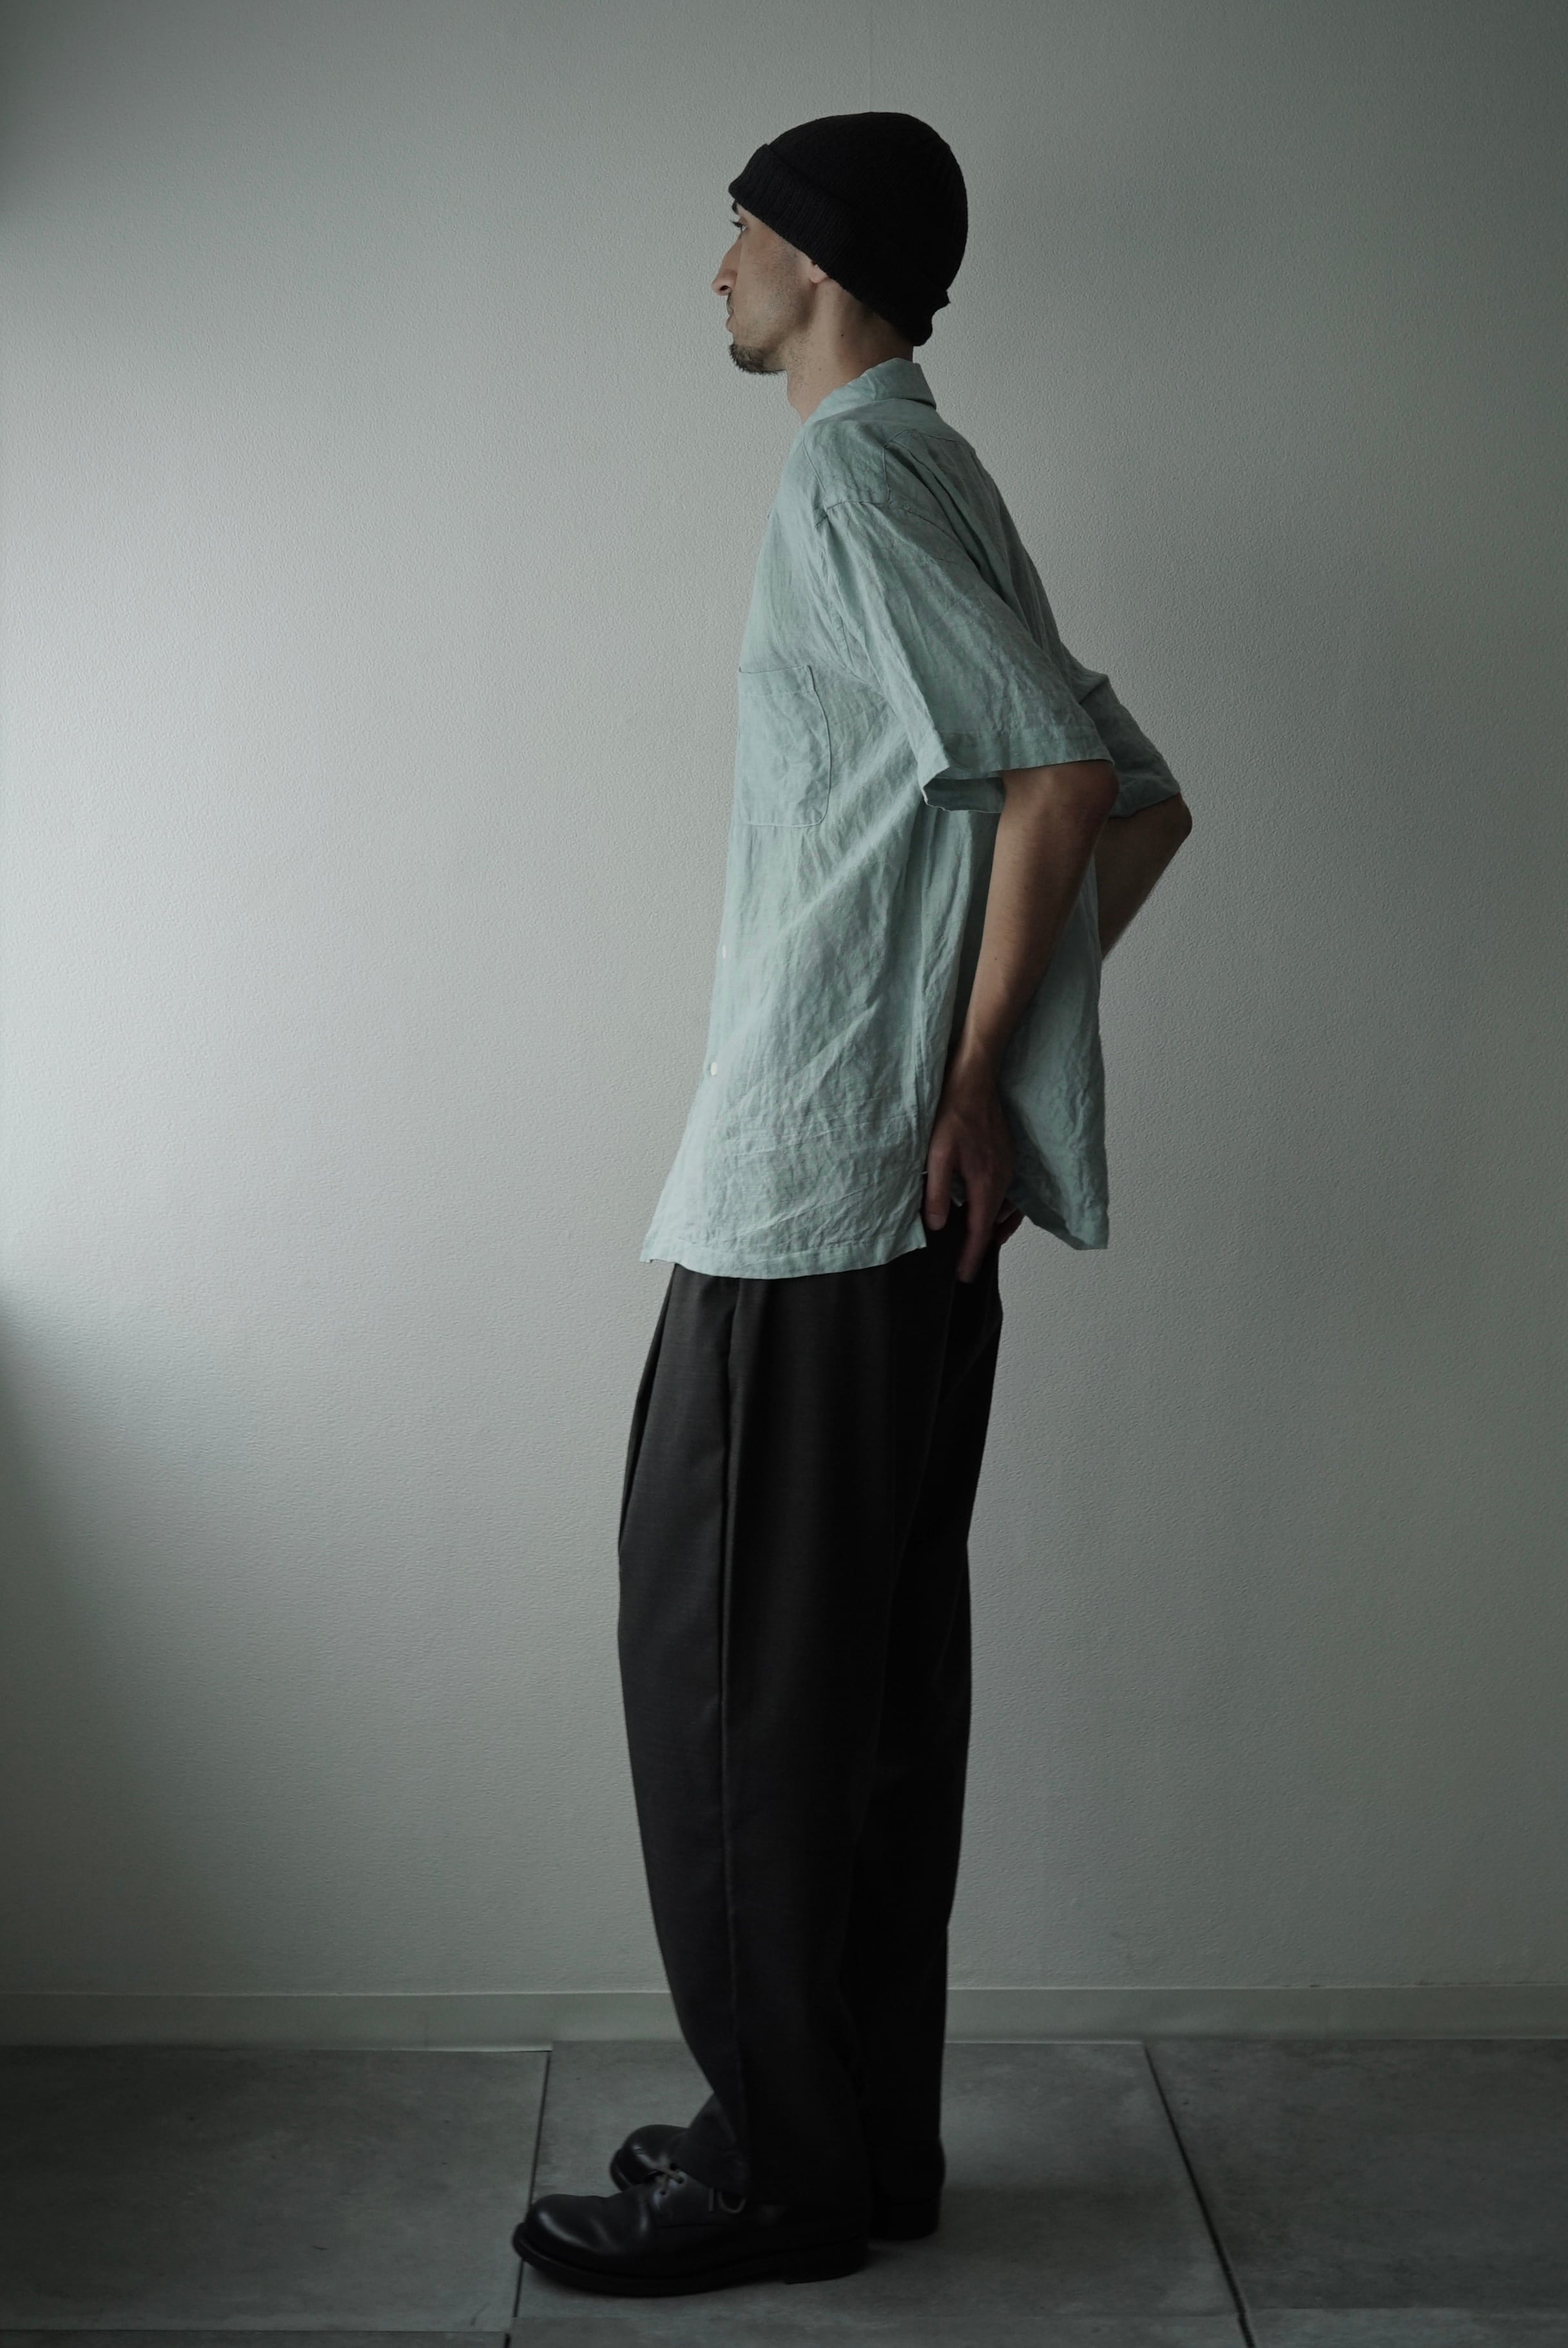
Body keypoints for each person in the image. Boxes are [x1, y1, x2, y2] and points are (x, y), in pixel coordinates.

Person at [514, 109, 1193, 2299]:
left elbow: (1072, 783)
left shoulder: (848, 480)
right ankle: (858, 2142)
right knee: (871, 1698)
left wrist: (952, 1071)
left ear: (816, 257)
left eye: (736, 228)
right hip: (903, 1216)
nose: (713, 266)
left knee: (726, 1686)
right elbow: (1133, 797)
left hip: (814, 1194)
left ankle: (770, 2170)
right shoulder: (939, 470)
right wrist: (970, 1068)